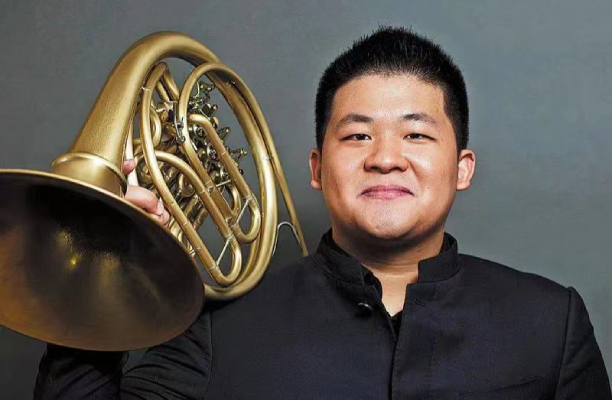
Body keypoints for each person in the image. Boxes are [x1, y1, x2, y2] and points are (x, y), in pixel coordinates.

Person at [34, 26, 611, 399]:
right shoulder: (212, 329)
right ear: (316, 168)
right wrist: (101, 268)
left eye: (416, 134)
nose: (385, 158)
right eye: (357, 136)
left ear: (462, 168)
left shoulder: (551, 321)